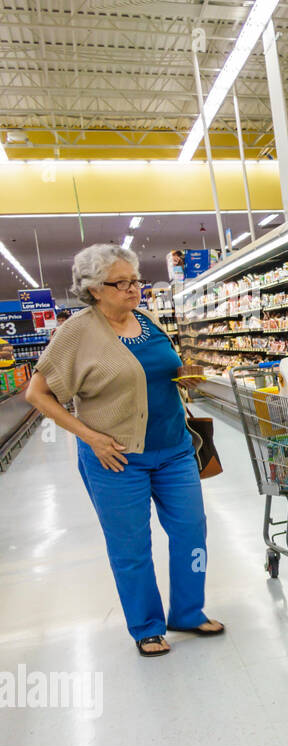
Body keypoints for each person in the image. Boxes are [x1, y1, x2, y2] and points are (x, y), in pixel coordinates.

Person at [24, 243, 223, 657]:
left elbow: (158, 369)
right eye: (122, 283)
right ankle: (146, 626)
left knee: (191, 531)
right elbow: (37, 393)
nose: (134, 290)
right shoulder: (76, 332)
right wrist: (89, 436)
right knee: (131, 546)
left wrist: (181, 377)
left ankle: (188, 611)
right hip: (115, 459)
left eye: (136, 281)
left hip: (174, 449)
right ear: (95, 289)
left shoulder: (148, 320)